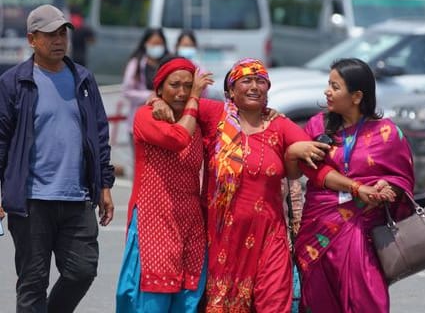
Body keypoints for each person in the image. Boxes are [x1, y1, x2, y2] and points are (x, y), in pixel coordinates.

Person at [150, 58, 395, 312]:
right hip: (224, 239)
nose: (254, 86)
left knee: (275, 304)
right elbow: (177, 103)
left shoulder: (280, 126)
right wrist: (155, 101)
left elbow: (318, 168)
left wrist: (357, 187)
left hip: (270, 237)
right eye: (246, 81)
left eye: (261, 81)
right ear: (231, 91)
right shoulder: (215, 116)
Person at [0, 4, 115, 312]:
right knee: (32, 282)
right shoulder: (14, 83)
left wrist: (104, 186)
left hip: (77, 198)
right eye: (50, 34)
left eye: (62, 32)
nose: (58, 40)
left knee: (83, 270)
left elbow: (100, 136)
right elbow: (1, 140)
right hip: (31, 201)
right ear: (31, 39)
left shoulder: (84, 80)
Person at [294, 58, 415, 313]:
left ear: (357, 96)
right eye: (328, 84)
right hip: (319, 230)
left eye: (335, 87)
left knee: (369, 301)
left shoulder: (387, 133)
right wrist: (357, 188)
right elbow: (312, 169)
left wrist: (387, 187)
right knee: (319, 302)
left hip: (365, 235)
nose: (328, 91)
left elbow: (402, 178)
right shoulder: (318, 125)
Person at [116, 57, 214, 312]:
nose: (182, 92)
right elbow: (178, 138)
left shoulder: (200, 118)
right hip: (153, 220)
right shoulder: (146, 117)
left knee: (188, 297)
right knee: (151, 299)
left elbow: (237, 113)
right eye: (175, 85)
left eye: (188, 85)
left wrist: (268, 114)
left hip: (190, 223)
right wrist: (194, 98)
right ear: (159, 88)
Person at [122, 27, 169, 145]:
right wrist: (150, 96)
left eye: (159, 43)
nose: (156, 46)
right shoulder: (136, 63)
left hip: (163, 124)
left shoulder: (168, 62)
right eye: (153, 43)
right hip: (139, 121)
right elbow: (127, 90)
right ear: (145, 43)